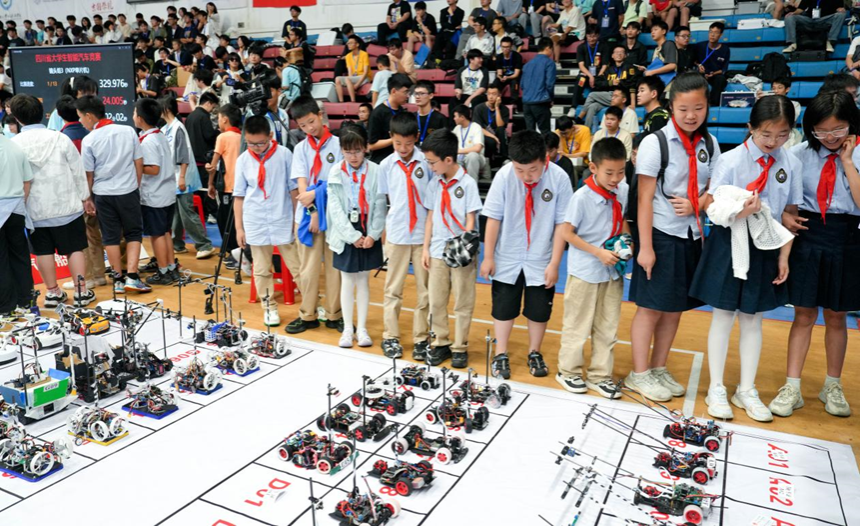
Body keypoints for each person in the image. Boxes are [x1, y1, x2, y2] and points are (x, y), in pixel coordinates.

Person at [688, 96, 798, 422]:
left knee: (753, 319)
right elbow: (711, 206)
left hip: (766, 245)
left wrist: (784, 255)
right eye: (766, 134)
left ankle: (746, 389)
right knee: (723, 316)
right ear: (751, 128)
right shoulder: (731, 160)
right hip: (729, 242)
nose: (773, 142)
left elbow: (789, 213)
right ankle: (716, 388)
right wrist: (739, 211)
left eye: (782, 135)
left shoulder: (790, 163)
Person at [627, 72, 721, 402]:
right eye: (683, 109)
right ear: (671, 107)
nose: (691, 115)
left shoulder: (710, 144)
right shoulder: (656, 143)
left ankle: (658, 367)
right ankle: (638, 374)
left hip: (692, 235)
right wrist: (646, 248)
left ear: (707, 106)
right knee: (651, 308)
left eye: (698, 108)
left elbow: (715, 189)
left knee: (674, 308)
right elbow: (644, 198)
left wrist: (699, 203)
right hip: (660, 234)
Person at [768, 90, 860, 419]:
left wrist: (847, 161)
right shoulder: (797, 154)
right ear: (811, 129)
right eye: (822, 131)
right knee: (804, 315)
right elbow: (782, 200)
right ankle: (792, 386)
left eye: (838, 129)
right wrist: (784, 216)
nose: (831, 138)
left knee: (836, 316)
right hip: (808, 235)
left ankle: (832, 385)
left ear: (852, 124)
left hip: (847, 237)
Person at [482, 130, 572, 379]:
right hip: (507, 254)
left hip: (541, 256)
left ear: (544, 159)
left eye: (532, 170)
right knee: (503, 306)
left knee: (539, 309)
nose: (526, 176)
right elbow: (493, 218)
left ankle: (534, 352)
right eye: (520, 170)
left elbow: (561, 224)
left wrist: (555, 263)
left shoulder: (559, 178)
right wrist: (488, 256)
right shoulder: (504, 176)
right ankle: (501, 353)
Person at [556, 136, 629, 396]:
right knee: (577, 325)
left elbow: (623, 219)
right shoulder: (582, 197)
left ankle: (600, 375)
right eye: (609, 172)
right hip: (585, 272)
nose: (615, 178)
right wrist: (597, 252)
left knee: (608, 326)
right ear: (593, 167)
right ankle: (568, 371)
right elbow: (566, 233)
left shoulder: (623, 189)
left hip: (612, 272)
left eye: (620, 171)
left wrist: (627, 241)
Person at [9, 95, 93, 307]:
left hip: (35, 209)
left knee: (42, 251)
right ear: (42, 112)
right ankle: (81, 292)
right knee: (74, 248)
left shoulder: (14, 145)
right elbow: (78, 170)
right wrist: (85, 197)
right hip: (67, 205)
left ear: (17, 118)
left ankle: (53, 292)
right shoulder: (60, 138)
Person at [421, 129, 482, 368]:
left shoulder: (467, 184)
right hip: (437, 250)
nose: (430, 166)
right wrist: (425, 248)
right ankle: (441, 342)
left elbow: (470, 218)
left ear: (448, 159)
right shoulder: (434, 183)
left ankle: (460, 346)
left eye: (432, 162)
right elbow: (430, 217)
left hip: (460, 253)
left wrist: (465, 247)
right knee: (436, 300)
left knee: (463, 302)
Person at [76, 95, 150, 294]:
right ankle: (132, 277)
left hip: (103, 194)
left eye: (81, 117)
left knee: (110, 237)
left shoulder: (89, 140)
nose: (81, 122)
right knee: (133, 233)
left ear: (89, 116)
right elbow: (139, 162)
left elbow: (89, 174)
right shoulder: (128, 131)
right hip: (128, 191)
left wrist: (88, 199)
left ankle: (118, 279)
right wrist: (136, 186)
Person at [378, 113, 435, 360]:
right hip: (397, 233)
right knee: (393, 289)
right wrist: (382, 230)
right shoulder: (385, 166)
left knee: (426, 291)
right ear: (391, 137)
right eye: (398, 143)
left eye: (409, 144)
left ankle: (421, 338)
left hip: (423, 235)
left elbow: (433, 200)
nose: (403, 149)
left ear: (416, 138)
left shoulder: (426, 163)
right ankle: (390, 336)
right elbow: (382, 200)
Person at [234, 115, 298, 326]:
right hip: (256, 218)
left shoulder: (284, 155)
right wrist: (239, 228)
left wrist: (296, 220)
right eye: (251, 143)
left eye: (260, 143)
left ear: (270, 136)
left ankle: (311, 304)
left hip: (282, 216)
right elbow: (239, 196)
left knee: (297, 265)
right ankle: (269, 306)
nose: (256, 148)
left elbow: (293, 190)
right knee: (261, 268)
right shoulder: (243, 160)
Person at [327, 124, 387, 348]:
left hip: (368, 227)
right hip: (346, 231)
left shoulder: (376, 171)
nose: (353, 156)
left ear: (366, 148)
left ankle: (361, 328)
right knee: (347, 280)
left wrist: (373, 234)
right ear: (341, 150)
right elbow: (335, 210)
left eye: (358, 151)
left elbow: (380, 205)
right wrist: (351, 236)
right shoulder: (335, 172)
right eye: (348, 151)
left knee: (363, 280)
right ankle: (347, 329)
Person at [287, 96, 343, 334]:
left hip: (334, 215)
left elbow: (339, 183)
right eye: (303, 126)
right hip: (308, 217)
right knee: (308, 270)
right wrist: (313, 213)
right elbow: (302, 189)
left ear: (320, 115)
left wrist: (317, 198)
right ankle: (308, 314)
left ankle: (334, 313)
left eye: (311, 121)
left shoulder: (338, 145)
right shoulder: (300, 149)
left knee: (334, 268)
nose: (309, 128)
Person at [159, 96, 215, 261]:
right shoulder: (166, 128)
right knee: (177, 212)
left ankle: (204, 245)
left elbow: (183, 155)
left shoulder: (178, 128)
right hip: (173, 176)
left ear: (166, 109)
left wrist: (182, 177)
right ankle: (177, 243)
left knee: (187, 212)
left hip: (182, 176)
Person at [133, 98, 178, 287]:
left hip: (155, 195)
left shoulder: (148, 141)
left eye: (135, 112)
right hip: (166, 192)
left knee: (157, 234)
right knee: (165, 232)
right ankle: (170, 267)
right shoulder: (158, 135)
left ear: (141, 118)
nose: (133, 116)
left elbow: (154, 168)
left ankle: (163, 271)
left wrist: (135, 166)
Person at [205, 102, 243, 268]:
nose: (218, 121)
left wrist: (210, 184)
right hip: (241, 187)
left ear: (225, 120)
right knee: (238, 221)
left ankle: (234, 253)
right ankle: (238, 252)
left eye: (219, 118)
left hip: (228, 186)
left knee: (225, 221)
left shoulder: (223, 137)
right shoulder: (242, 136)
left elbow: (213, 165)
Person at [0, 129, 33, 314]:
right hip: (16, 208)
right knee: (20, 255)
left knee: (1, 258)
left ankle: (5, 307)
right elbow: (27, 182)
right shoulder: (15, 147)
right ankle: (26, 300)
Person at [576, 44, 637, 129]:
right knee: (593, 106)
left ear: (625, 55)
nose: (619, 54)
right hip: (610, 96)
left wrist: (633, 103)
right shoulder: (609, 69)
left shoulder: (630, 68)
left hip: (621, 96)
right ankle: (587, 130)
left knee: (592, 95)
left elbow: (632, 85)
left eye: (621, 52)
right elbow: (597, 82)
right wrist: (610, 83)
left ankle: (579, 118)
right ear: (612, 55)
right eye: (616, 52)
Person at [368, 73, 413, 164]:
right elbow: (371, 145)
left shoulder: (402, 111)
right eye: (405, 92)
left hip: (401, 161)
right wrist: (395, 139)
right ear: (393, 91)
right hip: (381, 162)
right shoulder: (378, 113)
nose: (407, 96)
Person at [782, 0, 846, 54]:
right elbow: (801, 9)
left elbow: (840, 8)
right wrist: (794, 13)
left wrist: (840, 9)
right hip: (809, 19)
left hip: (824, 20)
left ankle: (830, 41)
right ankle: (792, 44)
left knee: (841, 15)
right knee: (789, 17)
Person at [522, 38, 557, 134]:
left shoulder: (527, 65)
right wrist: (551, 99)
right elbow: (550, 84)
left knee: (530, 134)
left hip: (526, 103)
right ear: (548, 48)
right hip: (540, 102)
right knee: (545, 133)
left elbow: (522, 85)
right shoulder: (549, 63)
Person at [473, 82, 510, 164]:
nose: (491, 97)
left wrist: (497, 108)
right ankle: (489, 160)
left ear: (499, 95)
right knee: (491, 141)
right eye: (489, 94)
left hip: (498, 134)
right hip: (484, 134)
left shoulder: (504, 109)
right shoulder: (478, 108)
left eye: (494, 94)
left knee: (501, 130)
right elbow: (478, 128)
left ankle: (504, 159)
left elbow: (500, 126)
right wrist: (493, 137)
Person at [695, 22, 730, 107]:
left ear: (721, 35)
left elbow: (723, 69)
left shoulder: (725, 49)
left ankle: (712, 104)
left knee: (721, 79)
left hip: (714, 75)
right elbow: (693, 61)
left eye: (716, 32)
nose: (712, 35)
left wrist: (713, 74)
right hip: (701, 73)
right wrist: (698, 66)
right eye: (710, 32)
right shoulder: (700, 46)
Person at [452, 105, 490, 181]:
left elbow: (477, 148)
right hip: (460, 158)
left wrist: (459, 151)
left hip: (476, 158)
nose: (454, 118)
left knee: (472, 156)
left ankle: (472, 183)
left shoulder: (476, 127)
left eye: (455, 116)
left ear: (462, 117)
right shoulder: (456, 129)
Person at [413, 80, 450, 148]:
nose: (417, 97)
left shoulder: (440, 119)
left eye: (422, 93)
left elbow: (445, 143)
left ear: (431, 95)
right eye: (416, 93)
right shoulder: (411, 118)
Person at [335, 36, 371, 103]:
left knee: (348, 79)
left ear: (357, 44)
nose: (349, 44)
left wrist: (357, 85)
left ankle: (353, 101)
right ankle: (341, 101)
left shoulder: (364, 54)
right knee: (337, 79)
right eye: (348, 43)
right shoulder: (348, 56)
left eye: (351, 43)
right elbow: (350, 72)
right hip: (354, 77)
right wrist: (351, 82)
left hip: (364, 77)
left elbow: (365, 72)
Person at [549, 0, 586, 64]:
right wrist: (550, 26)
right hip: (567, 33)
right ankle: (552, 61)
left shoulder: (576, 10)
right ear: (562, 2)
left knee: (556, 39)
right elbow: (557, 24)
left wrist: (562, 34)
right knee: (551, 38)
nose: (566, 1)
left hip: (577, 33)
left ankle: (556, 62)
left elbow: (571, 27)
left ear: (571, 1)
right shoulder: (563, 12)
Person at [493, 36, 522, 103]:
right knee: (496, 82)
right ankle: (495, 101)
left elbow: (516, 74)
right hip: (503, 77)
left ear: (511, 47)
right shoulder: (499, 57)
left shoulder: (517, 56)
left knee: (514, 83)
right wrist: (500, 77)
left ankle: (514, 103)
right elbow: (499, 72)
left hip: (513, 77)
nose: (505, 49)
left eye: (507, 47)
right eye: (503, 47)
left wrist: (507, 77)